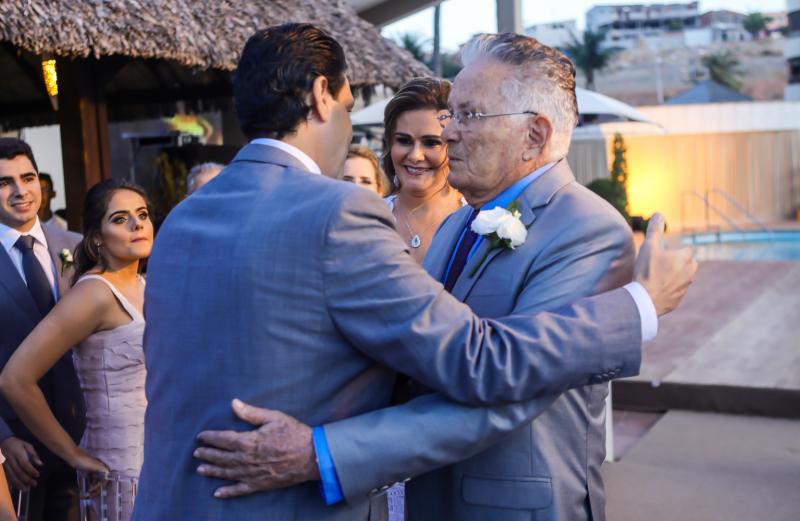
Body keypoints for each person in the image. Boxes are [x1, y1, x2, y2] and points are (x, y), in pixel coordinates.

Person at [135, 23, 695, 521]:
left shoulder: (589, 228)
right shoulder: (440, 225)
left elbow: (511, 391)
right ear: (323, 97)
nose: (448, 133)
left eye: (467, 115)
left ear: (535, 135)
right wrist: (641, 306)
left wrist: (322, 452)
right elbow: (437, 360)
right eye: (452, 115)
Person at [0, 179, 154, 521]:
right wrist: (72, 454)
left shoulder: (146, 284)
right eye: (120, 218)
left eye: (142, 214)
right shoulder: (94, 293)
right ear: (97, 237)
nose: (137, 224)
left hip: (157, 460)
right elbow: (15, 379)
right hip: (119, 471)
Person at [0, 137, 85, 521]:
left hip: (84, 439)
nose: (20, 191)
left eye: (28, 177)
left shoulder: (79, 249)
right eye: (4, 182)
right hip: (19, 454)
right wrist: (2, 440)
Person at [383, 78, 464, 263]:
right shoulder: (369, 219)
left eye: (431, 143)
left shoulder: (479, 221)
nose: (415, 156)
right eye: (404, 141)